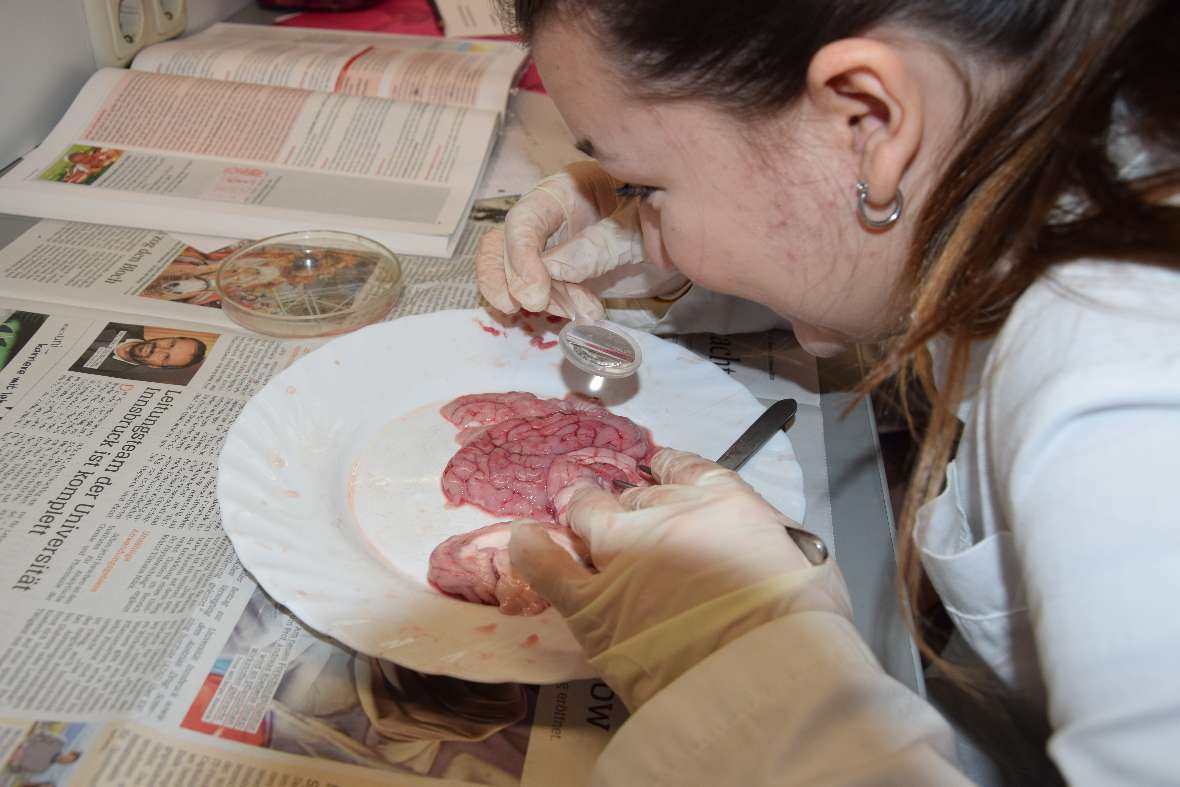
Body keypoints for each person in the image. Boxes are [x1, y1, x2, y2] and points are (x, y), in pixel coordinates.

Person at [475, 1, 1180, 783]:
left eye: (643, 184)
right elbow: (870, 245)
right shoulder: (1049, 148)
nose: (635, 203)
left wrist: (745, 671)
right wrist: (666, 233)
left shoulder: (1134, 419)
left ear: (867, 119)